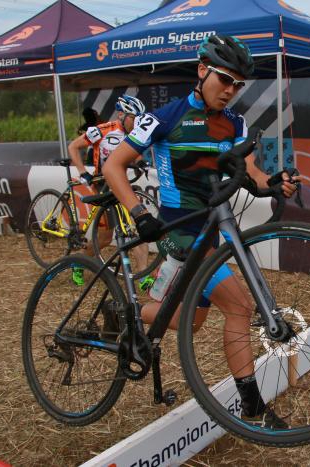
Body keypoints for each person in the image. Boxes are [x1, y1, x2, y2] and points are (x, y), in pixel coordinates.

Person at [103, 34, 299, 429]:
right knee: (240, 308)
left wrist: (275, 182)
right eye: (224, 80)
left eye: (238, 85)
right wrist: (139, 212)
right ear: (201, 71)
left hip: (211, 230)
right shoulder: (165, 117)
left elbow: (253, 177)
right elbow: (113, 167)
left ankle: (126, 313)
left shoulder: (235, 123)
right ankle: (253, 409)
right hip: (177, 230)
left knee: (190, 321)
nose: (230, 91)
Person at [67, 95, 153, 287]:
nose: (136, 122)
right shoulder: (103, 130)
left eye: (139, 118)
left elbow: (135, 153)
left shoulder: (134, 134)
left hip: (121, 183)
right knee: (105, 237)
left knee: (137, 226)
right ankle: (78, 263)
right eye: (133, 117)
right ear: (121, 115)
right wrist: (83, 172)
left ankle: (143, 276)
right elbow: (73, 146)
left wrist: (141, 163)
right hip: (102, 185)